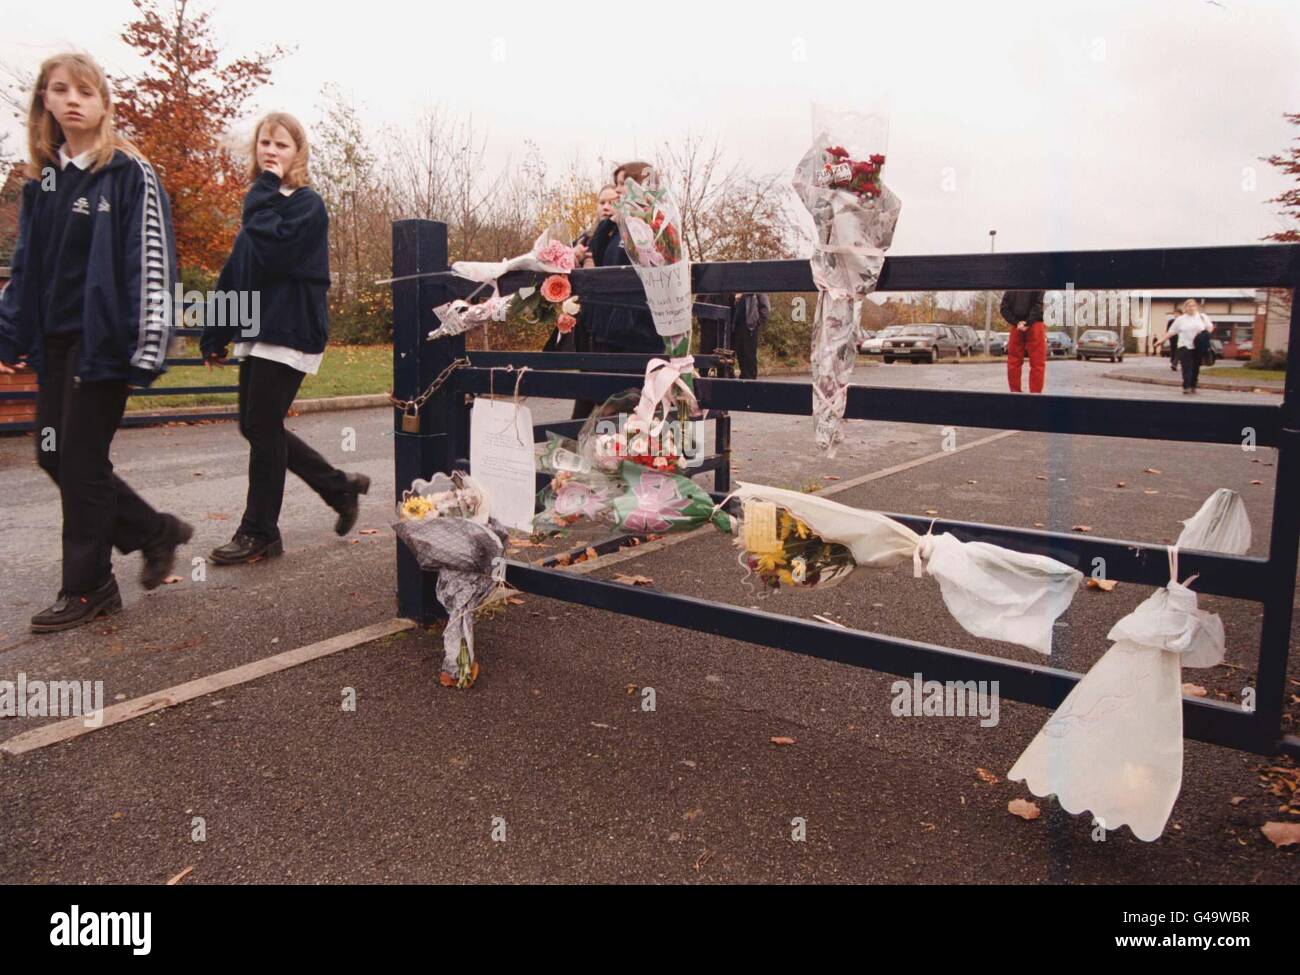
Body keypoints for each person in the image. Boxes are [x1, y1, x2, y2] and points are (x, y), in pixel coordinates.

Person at [0, 52, 192, 632]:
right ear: (46, 103)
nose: (74, 99)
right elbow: (27, 265)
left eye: (86, 90)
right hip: (55, 342)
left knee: (81, 459)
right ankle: (155, 531)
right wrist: (9, 334)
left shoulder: (128, 173)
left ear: (104, 104)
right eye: (60, 89)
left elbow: (152, 262)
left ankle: (88, 586)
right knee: (54, 454)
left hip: (103, 342)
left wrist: (150, 341)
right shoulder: (44, 182)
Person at [200, 112, 368, 565]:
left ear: (298, 154)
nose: (271, 152)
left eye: (282, 145)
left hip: (291, 328)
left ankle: (260, 532)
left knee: (261, 426)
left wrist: (260, 194)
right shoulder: (261, 207)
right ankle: (338, 486)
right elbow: (235, 273)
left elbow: (274, 253)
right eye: (265, 144)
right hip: (259, 329)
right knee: (256, 425)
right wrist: (215, 333)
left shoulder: (305, 204)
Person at [1161, 298, 1214, 394]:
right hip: (1184, 346)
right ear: (1185, 308)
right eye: (1189, 306)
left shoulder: (1202, 317)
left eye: (1193, 306)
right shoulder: (1180, 319)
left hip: (1198, 346)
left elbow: (1210, 327)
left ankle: (1193, 385)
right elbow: (1172, 331)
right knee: (1186, 367)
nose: (1191, 308)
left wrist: (1204, 334)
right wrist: (1161, 340)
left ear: (1196, 307)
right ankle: (1187, 386)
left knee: (1195, 367)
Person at [1000, 290, 1047, 393]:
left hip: (1017, 326)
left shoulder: (1011, 286)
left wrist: (1016, 322)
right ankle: (1035, 396)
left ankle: (1015, 393)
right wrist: (1028, 322)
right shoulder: (1038, 281)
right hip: (1035, 324)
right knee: (1037, 363)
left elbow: (1004, 308)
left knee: (1013, 362)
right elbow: (1038, 305)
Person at [730, 292, 770, 380]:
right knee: (741, 356)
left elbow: (765, 309)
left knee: (749, 358)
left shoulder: (758, 289)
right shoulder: (739, 290)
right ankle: (743, 381)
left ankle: (751, 382)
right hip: (738, 327)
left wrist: (755, 323)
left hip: (750, 328)